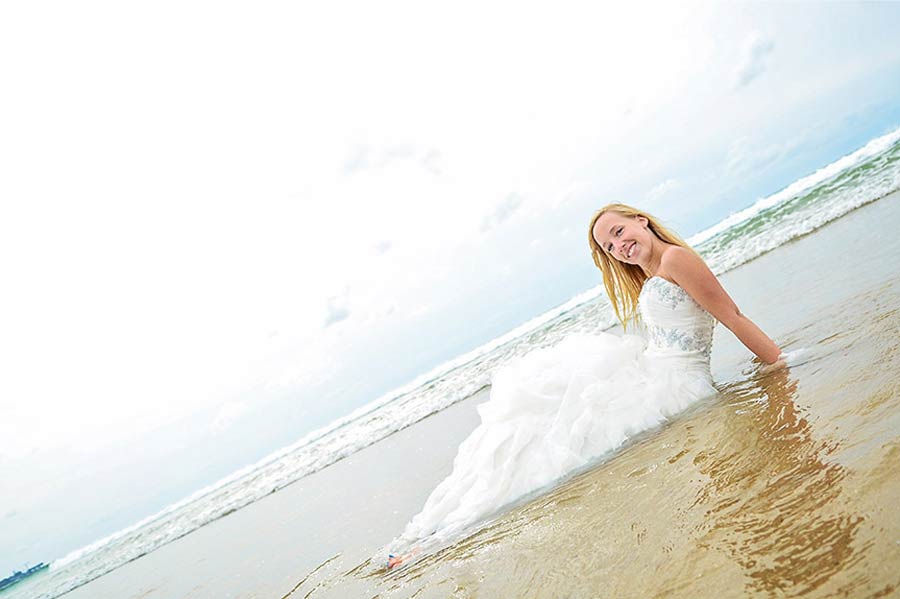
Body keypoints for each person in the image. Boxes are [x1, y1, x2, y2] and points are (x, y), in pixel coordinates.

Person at [386, 203, 784, 569]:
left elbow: (731, 315)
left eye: (617, 231)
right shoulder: (650, 272)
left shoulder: (676, 259)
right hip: (654, 372)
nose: (618, 245)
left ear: (640, 220)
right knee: (543, 429)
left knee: (570, 448)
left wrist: (779, 364)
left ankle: (445, 537)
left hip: (677, 380)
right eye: (608, 245)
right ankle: (438, 534)